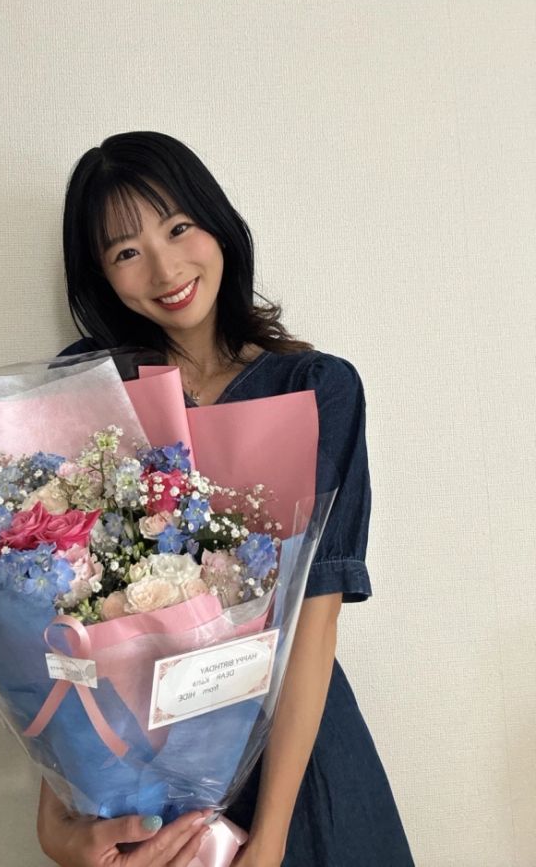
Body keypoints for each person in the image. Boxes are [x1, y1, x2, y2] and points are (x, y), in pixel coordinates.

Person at [37, 132, 415, 867]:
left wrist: (270, 840)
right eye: (126, 251)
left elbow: (315, 622)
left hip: (293, 765)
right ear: (100, 274)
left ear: (218, 226)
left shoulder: (316, 388)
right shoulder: (90, 385)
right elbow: (53, 625)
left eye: (179, 227)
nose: (165, 268)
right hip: (136, 754)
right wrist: (56, 823)